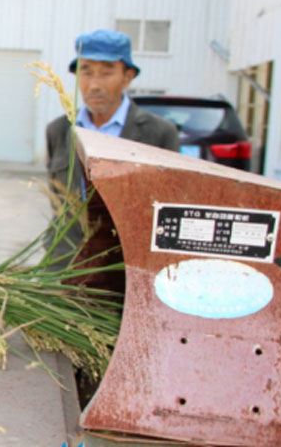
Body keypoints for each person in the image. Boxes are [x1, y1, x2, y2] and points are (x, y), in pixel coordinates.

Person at [44, 28, 180, 289]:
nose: (94, 84)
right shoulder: (59, 131)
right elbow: (57, 206)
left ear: (127, 77)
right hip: (65, 269)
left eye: (106, 72)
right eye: (86, 71)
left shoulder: (159, 133)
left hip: (130, 276)